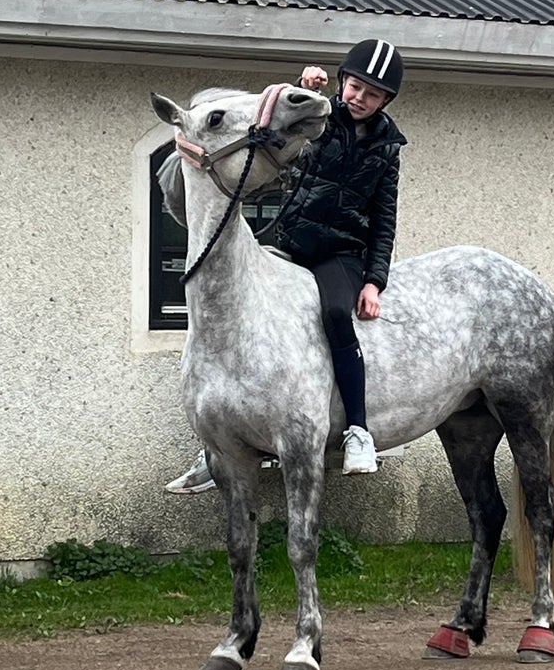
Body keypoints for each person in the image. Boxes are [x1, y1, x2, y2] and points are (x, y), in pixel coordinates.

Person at [165, 38, 407, 493]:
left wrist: (374, 281)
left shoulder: (387, 149)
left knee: (337, 315)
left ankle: (357, 430)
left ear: (385, 102)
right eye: (354, 87)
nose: (359, 98)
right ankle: (214, 446)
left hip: (340, 254)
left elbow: (384, 220)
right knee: (232, 310)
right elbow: (277, 130)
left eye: (372, 95)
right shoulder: (323, 121)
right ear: (342, 82)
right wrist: (302, 87)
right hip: (291, 244)